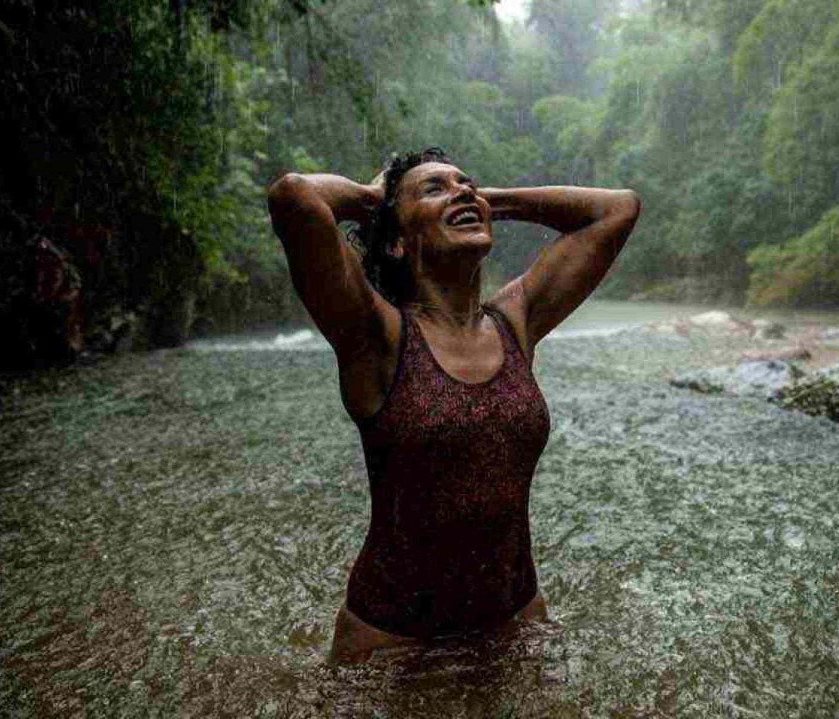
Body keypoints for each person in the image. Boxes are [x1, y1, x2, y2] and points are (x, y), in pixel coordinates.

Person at [266, 147, 640, 663]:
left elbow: (617, 209)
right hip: (394, 647)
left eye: (468, 184)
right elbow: (293, 198)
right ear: (397, 241)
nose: (463, 190)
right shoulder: (375, 335)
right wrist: (376, 199)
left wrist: (486, 202)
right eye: (435, 188)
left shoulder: (516, 321)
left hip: (515, 625)